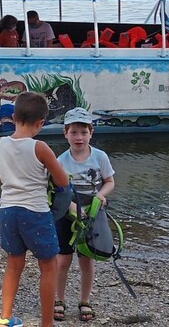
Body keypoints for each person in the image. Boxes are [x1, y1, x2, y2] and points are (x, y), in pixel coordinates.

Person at [0, 92, 70, 327]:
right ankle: (47, 323)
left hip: (8, 211)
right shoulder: (40, 147)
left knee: (14, 264)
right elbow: (63, 181)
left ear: (13, 117)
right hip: (34, 211)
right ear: (41, 123)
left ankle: (5, 317)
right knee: (48, 266)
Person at [54, 107, 115, 323]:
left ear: (91, 133)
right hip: (66, 213)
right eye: (74, 132)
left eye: (83, 132)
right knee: (63, 260)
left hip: (93, 213)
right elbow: (57, 191)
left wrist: (101, 195)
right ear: (65, 133)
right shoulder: (60, 161)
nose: (79, 137)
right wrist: (73, 208)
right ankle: (59, 299)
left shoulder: (100, 157)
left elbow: (109, 182)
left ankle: (85, 300)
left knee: (87, 259)